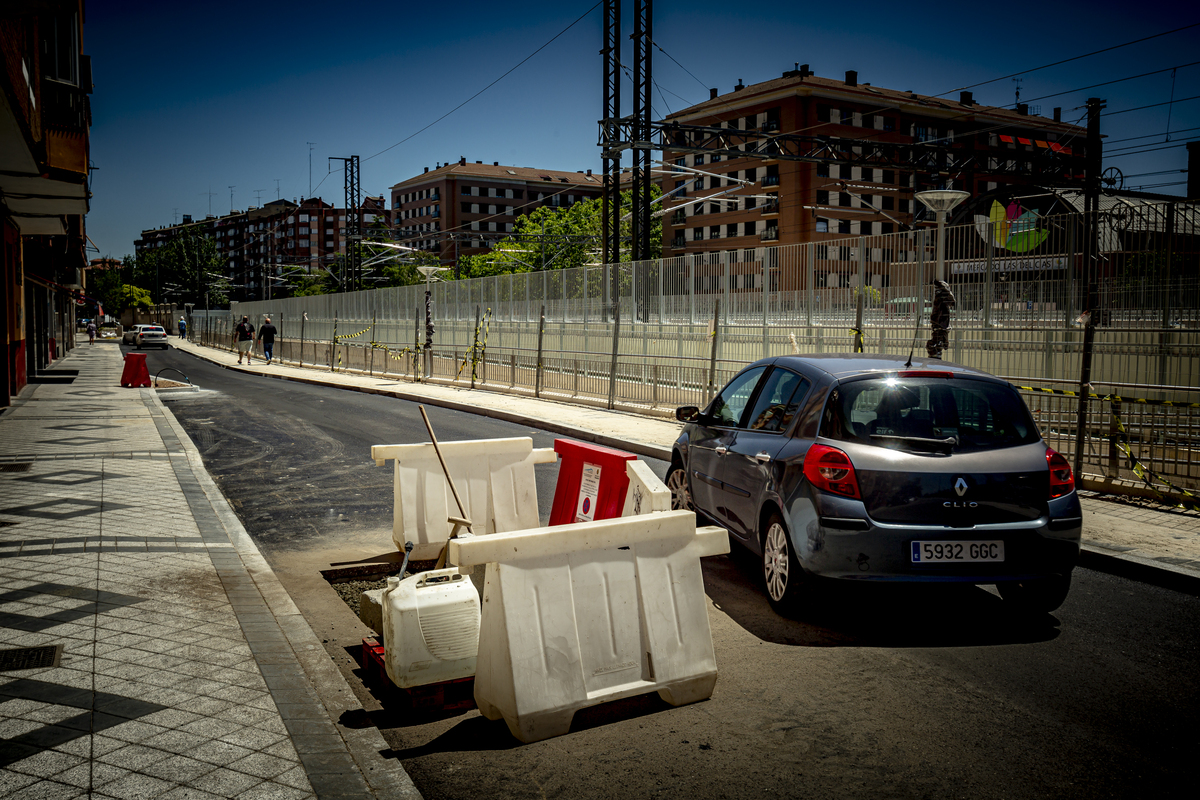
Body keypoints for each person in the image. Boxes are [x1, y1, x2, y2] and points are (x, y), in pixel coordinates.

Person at [925, 279, 956, 359]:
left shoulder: (943, 297)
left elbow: (952, 302)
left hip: (940, 325)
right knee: (935, 344)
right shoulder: (939, 298)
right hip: (938, 325)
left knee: (937, 343)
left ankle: (936, 353)